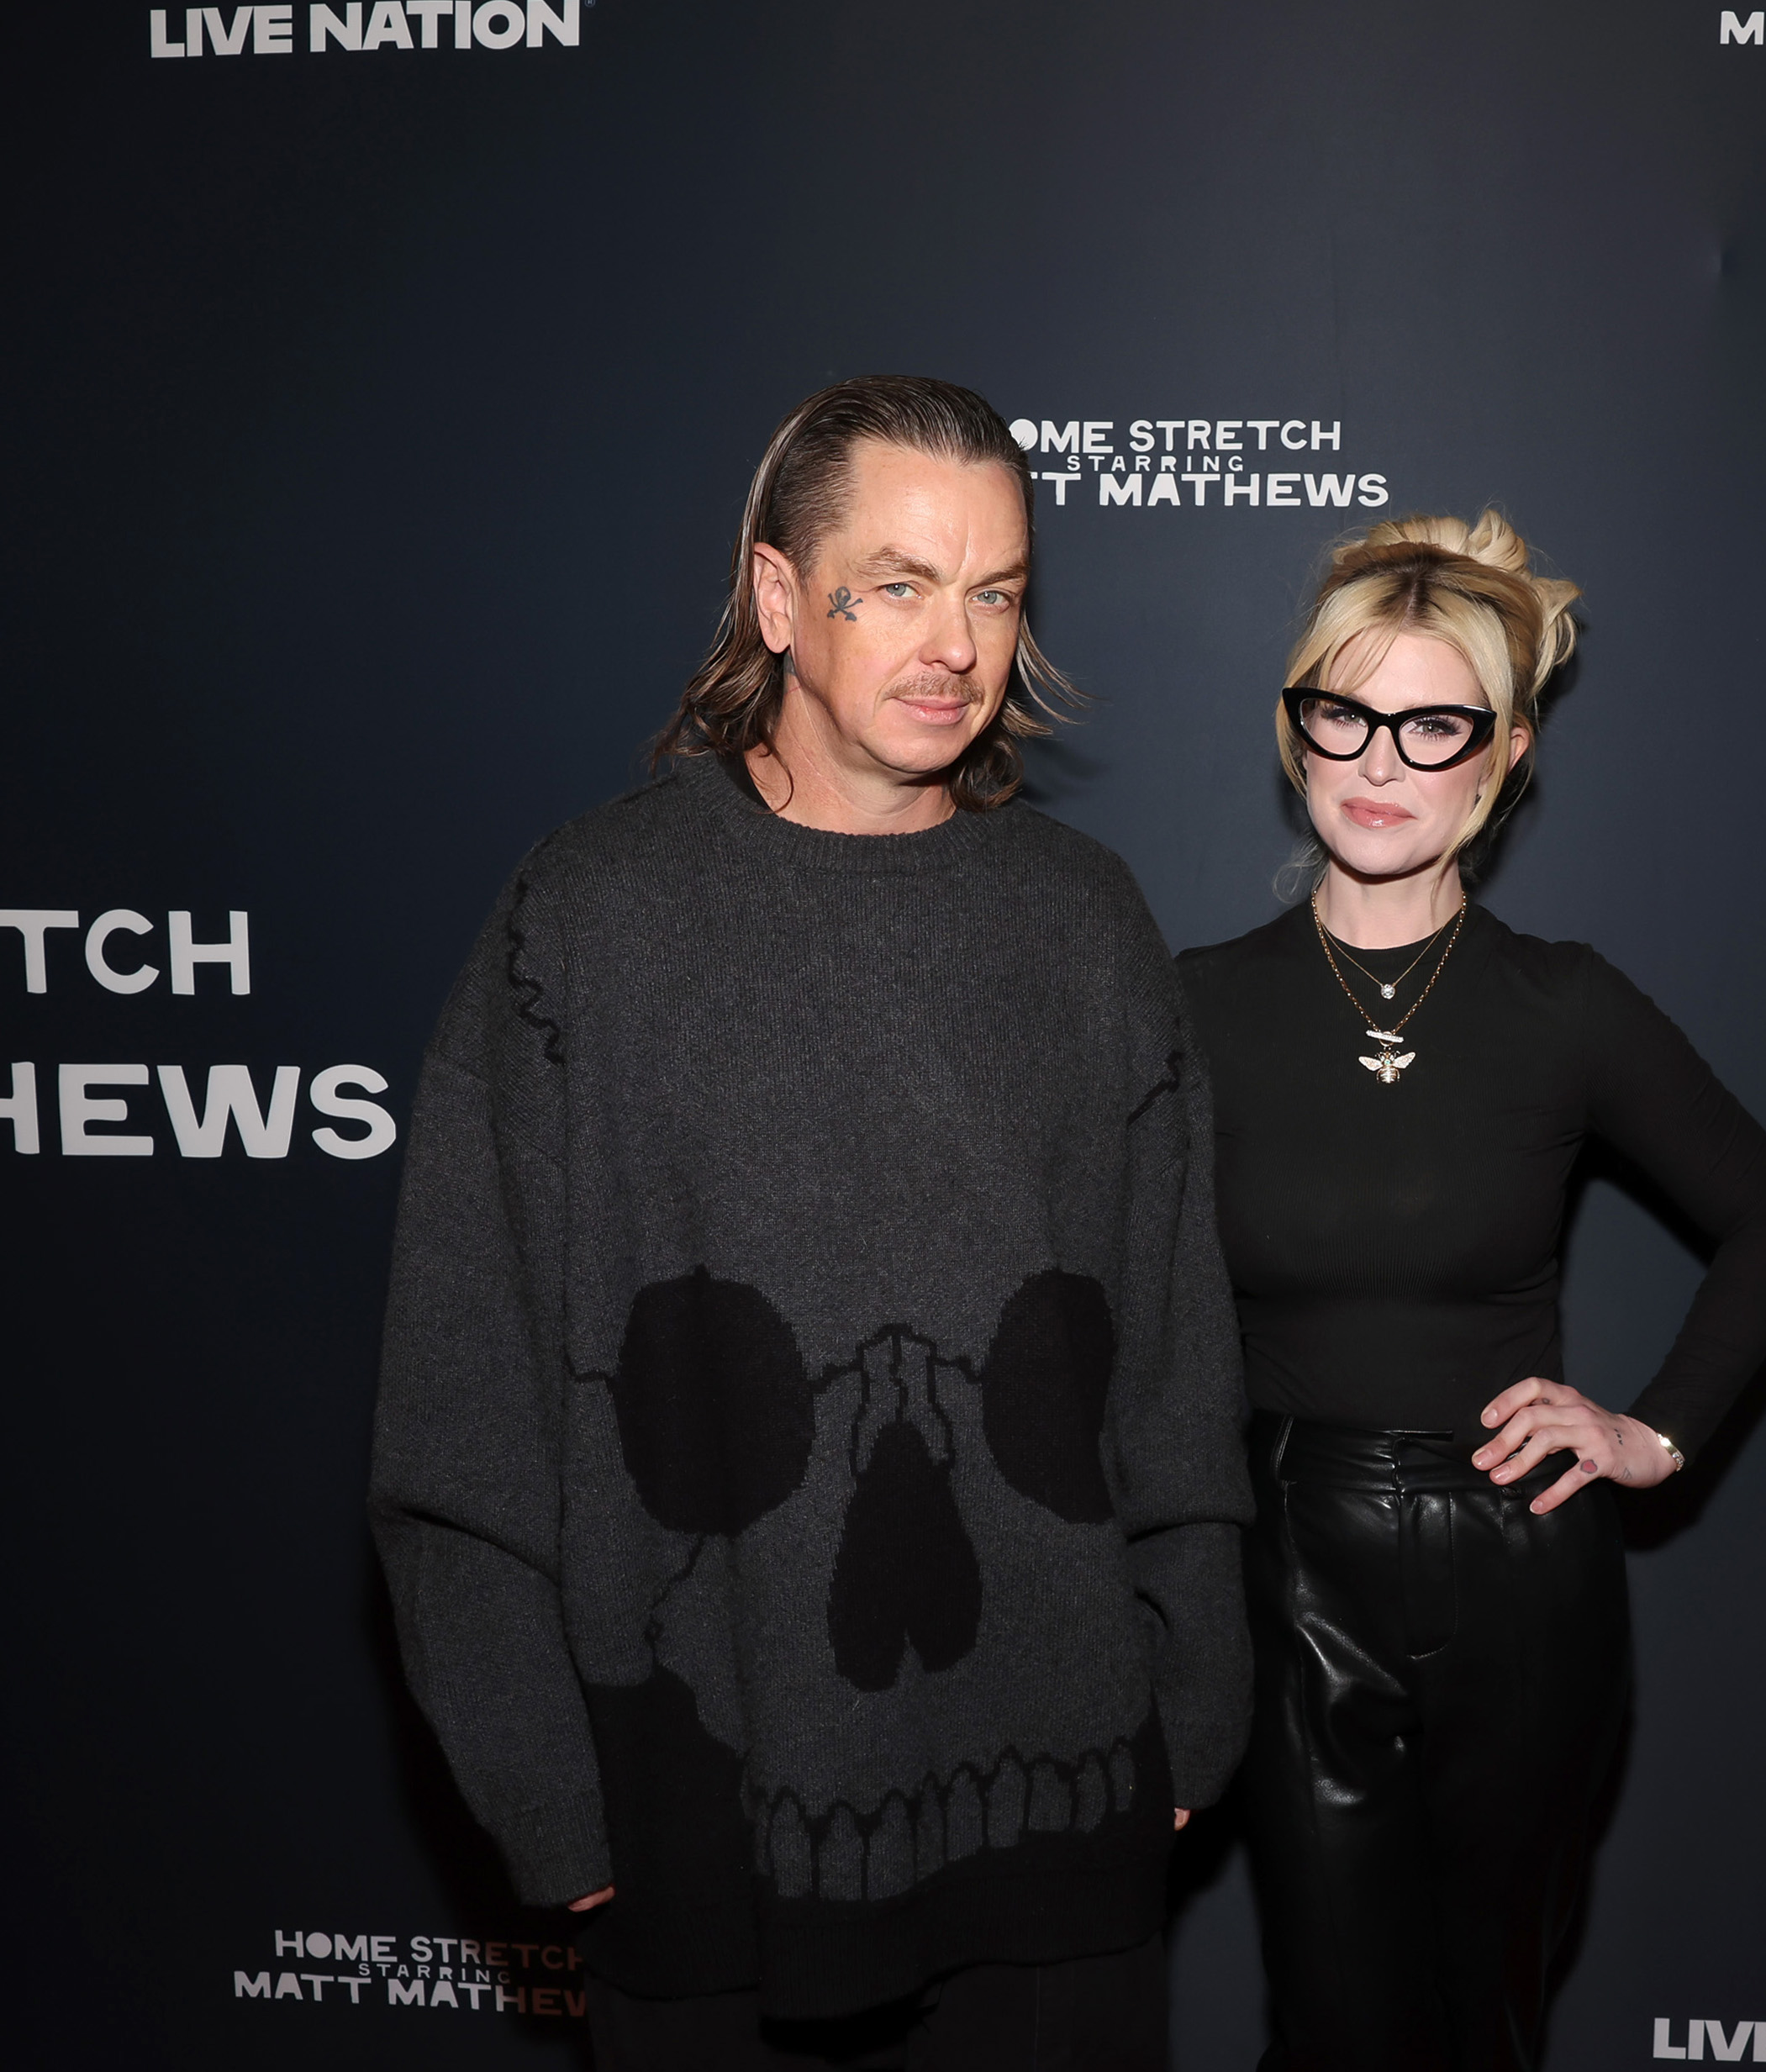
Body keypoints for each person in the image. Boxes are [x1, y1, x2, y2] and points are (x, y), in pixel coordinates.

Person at [370, 376, 1252, 2072]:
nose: (957, 642)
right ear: (780, 598)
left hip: (1058, 1832)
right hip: (705, 1845)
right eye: (901, 582)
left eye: (996, 591)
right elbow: (462, 1401)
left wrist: (1192, 1716)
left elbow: (1170, 1361)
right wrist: (554, 1809)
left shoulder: (1084, 923)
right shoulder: (593, 921)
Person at [1176, 512, 1766, 2071]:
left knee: (1487, 2025)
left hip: (1523, 1563)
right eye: (1344, 710)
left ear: (1506, 751)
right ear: (1295, 729)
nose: (1379, 757)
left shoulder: (1567, 1006)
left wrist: (1652, 1434)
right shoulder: (1187, 1006)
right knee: (1333, 2029)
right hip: (1284, 1563)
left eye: (1434, 722)